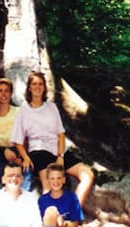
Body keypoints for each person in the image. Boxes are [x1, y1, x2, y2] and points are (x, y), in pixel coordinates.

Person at [10, 70, 94, 206]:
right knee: (49, 187)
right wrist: (25, 158)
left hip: (57, 150)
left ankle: (74, 214)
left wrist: (60, 156)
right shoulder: (24, 111)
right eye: (34, 84)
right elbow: (18, 141)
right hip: (39, 152)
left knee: (87, 174)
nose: (37, 87)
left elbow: (60, 134)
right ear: (29, 87)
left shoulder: (52, 107)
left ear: (44, 87)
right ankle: (50, 222)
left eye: (40, 84)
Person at [0, 77, 32, 191]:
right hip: (3, 153)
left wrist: (20, 157)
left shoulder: (18, 111)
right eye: (0, 91)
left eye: (6, 91)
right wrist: (4, 151)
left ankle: (24, 190)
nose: (3, 94)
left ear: (11, 94)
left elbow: (26, 136)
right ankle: (9, 178)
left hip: (20, 150)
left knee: (26, 167)